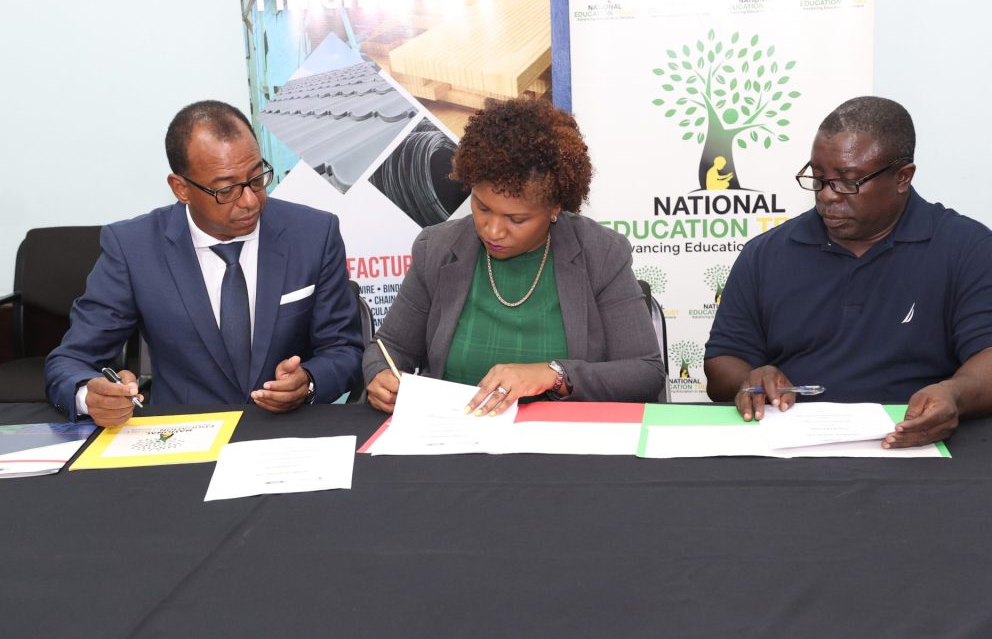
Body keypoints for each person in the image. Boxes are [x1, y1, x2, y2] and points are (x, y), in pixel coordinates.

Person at [704, 96, 992, 448]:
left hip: (918, 441)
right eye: (818, 177)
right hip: (793, 446)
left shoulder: (968, 248)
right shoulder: (765, 254)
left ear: (903, 177)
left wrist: (954, 394)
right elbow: (722, 362)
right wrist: (748, 380)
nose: (827, 195)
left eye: (847, 181)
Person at [45, 100, 364, 426]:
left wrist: (308, 381)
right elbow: (70, 361)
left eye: (257, 178)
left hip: (288, 433)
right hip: (184, 438)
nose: (251, 200)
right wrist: (90, 395)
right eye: (226, 189)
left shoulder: (313, 234)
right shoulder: (134, 249)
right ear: (181, 188)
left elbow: (345, 349)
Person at [363, 98, 665, 415]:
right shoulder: (436, 248)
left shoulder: (600, 253)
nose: (492, 230)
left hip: (564, 445)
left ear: (555, 208)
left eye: (516, 220)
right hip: (457, 441)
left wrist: (555, 374)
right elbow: (390, 347)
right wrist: (381, 373)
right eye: (482, 207)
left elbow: (644, 373)